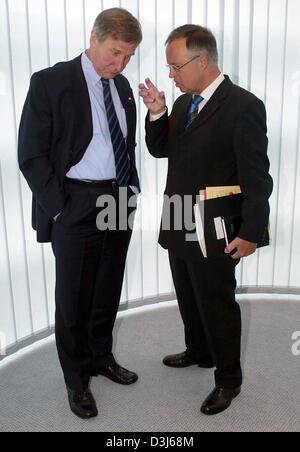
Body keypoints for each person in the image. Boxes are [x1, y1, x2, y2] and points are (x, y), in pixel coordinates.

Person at [139, 25, 273, 415]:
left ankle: (228, 380)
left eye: (174, 66)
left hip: (215, 225)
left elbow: (256, 176)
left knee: (217, 303)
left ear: (201, 61)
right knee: (187, 294)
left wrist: (251, 232)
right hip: (178, 218)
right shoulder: (183, 103)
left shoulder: (244, 106)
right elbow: (162, 149)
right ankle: (199, 351)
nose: (170, 74)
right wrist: (157, 112)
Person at [18, 8, 142, 419]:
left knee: (108, 285)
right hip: (76, 201)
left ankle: (101, 357)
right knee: (73, 296)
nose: (120, 63)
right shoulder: (51, 82)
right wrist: (60, 208)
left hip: (118, 199)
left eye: (128, 56)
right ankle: (76, 379)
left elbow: (126, 144)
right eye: (114, 52)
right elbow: (31, 155)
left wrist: (131, 191)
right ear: (94, 37)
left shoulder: (122, 87)